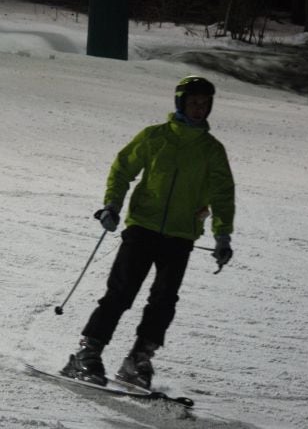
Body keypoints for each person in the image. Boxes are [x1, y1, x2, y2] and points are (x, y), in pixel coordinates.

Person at [61, 76, 235, 389]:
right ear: (181, 103)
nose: (199, 109)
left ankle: (138, 359)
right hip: (142, 227)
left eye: (205, 103)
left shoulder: (212, 150)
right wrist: (112, 205)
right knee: (121, 293)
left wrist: (222, 237)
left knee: (164, 301)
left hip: (181, 235)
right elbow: (123, 168)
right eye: (194, 102)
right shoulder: (155, 137)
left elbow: (223, 194)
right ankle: (86, 354)